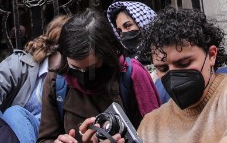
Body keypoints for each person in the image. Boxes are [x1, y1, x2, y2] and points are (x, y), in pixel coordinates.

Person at [136, 7, 227, 142]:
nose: (173, 75)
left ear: (211, 55)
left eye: (184, 63)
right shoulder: (151, 125)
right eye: (163, 68)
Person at [37, 9, 160, 143]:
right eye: (75, 68)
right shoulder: (56, 82)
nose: (83, 74)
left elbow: (158, 136)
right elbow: (46, 138)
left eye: (91, 68)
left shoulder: (132, 75)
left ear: (106, 56)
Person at [0, 15, 69, 143]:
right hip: (13, 133)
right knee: (11, 113)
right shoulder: (21, 64)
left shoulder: (75, 74)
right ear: (53, 47)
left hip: (50, 137)